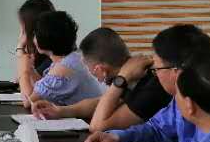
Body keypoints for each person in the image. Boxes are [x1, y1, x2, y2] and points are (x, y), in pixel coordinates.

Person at [83, 24, 210, 142]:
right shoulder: (182, 94)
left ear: (176, 71)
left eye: (157, 69)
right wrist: (116, 137)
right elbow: (157, 130)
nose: (155, 75)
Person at [30, 26, 171, 129]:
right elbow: (100, 102)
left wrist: (121, 79)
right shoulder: (130, 78)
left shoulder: (150, 86)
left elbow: (97, 126)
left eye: (89, 68)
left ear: (100, 70)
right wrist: (60, 111)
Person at [28, 10, 107, 107]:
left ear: (45, 38)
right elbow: (44, 88)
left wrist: (23, 67)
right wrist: (30, 69)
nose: (33, 39)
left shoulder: (65, 68)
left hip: (88, 117)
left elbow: (29, 102)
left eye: (35, 34)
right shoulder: (72, 58)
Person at [15, 0, 55, 101]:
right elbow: (20, 83)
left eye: (23, 29)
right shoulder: (45, 54)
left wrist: (20, 48)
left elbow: (29, 99)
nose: (21, 33)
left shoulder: (54, 59)